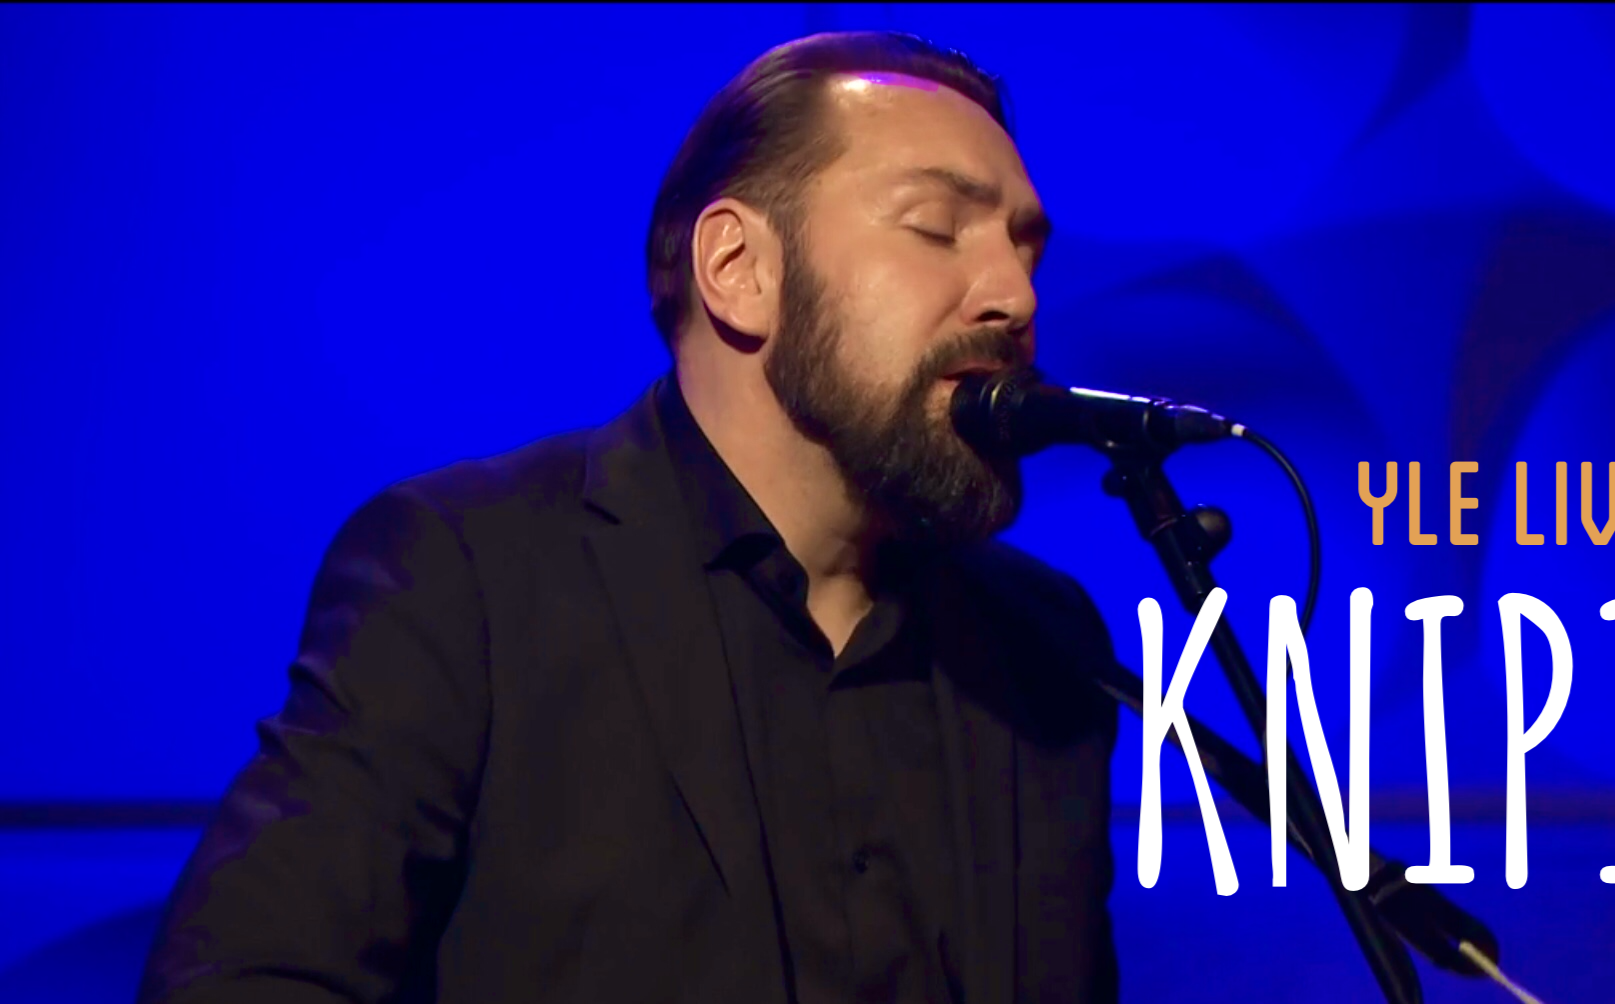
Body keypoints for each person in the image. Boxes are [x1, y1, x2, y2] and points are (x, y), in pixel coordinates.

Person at [139, 30, 1120, 1004]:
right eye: (937, 227)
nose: (1014, 295)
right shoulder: (468, 577)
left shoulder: (1044, 645)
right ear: (737, 267)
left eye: (1024, 250)